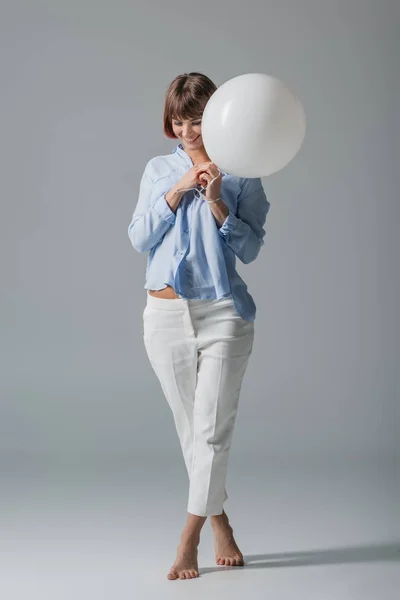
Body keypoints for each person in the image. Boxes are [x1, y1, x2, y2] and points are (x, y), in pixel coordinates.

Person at [127, 72, 271, 580]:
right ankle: (221, 521)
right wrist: (178, 189)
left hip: (224, 314)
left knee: (210, 429)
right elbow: (139, 238)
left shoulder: (243, 173)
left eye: (197, 121)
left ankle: (187, 537)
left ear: (217, 118)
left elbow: (250, 249)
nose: (187, 131)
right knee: (191, 429)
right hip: (163, 314)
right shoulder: (157, 169)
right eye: (178, 122)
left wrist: (216, 200)